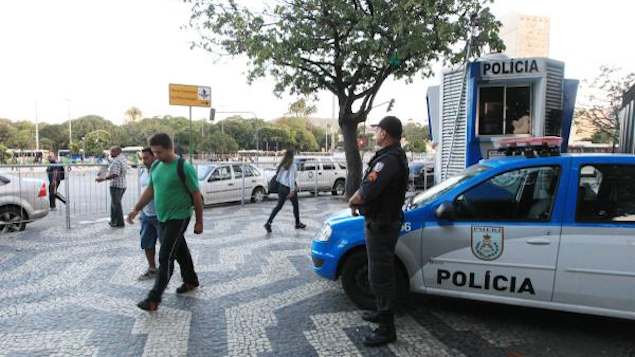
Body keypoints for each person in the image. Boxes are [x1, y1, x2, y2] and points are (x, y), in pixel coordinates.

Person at [348, 116, 409, 347]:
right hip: (381, 221)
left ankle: (386, 328)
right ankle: (380, 310)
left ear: (385, 133)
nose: (375, 133)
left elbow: (368, 190)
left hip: (382, 225)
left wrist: (353, 201)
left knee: (380, 275)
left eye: (378, 130)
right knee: (379, 271)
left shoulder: (389, 160)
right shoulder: (392, 156)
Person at [127, 133, 203, 311]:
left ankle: (154, 299)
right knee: (180, 250)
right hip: (163, 217)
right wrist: (136, 208)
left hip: (180, 217)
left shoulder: (184, 167)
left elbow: (196, 195)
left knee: (165, 256)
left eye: (159, 152)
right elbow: (151, 189)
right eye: (154, 152)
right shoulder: (156, 166)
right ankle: (191, 280)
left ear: (170, 148)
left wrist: (199, 222)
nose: (157, 156)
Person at [264, 148, 306, 233]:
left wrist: (281, 185)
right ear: (292, 155)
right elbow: (291, 178)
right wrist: (292, 190)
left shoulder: (283, 164)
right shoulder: (292, 165)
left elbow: (278, 177)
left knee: (279, 206)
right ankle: (297, 223)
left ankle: (268, 222)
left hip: (281, 187)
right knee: (295, 205)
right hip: (288, 188)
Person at [137, 148, 161, 280]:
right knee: (147, 242)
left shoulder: (160, 171)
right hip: (146, 214)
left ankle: (180, 269)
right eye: (142, 158)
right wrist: (139, 208)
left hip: (161, 214)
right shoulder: (143, 172)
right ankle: (152, 268)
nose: (143, 161)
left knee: (168, 245)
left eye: (146, 158)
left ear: (154, 157)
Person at [96, 146, 128, 228]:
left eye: (112, 152)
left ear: (117, 152)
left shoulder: (117, 161)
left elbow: (115, 174)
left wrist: (103, 179)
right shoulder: (123, 158)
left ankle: (119, 222)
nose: (110, 153)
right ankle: (114, 221)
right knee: (115, 204)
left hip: (116, 185)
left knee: (116, 205)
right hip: (123, 184)